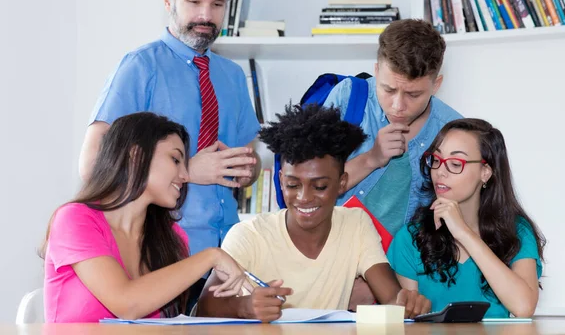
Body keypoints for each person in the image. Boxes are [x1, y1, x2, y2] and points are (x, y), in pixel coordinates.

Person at [78, 0, 261, 305]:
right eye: (194, 2)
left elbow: (245, 163)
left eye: (218, 4)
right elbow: (92, 166)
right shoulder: (139, 67)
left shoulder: (233, 77)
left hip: (232, 252)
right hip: (159, 256)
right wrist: (188, 170)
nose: (206, 15)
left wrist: (247, 170)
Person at [196, 104, 431, 322]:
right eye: (292, 185)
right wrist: (245, 307)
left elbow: (391, 296)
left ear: (342, 183)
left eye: (319, 186)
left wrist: (405, 303)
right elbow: (205, 307)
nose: (304, 197)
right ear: (280, 181)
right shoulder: (248, 235)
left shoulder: (355, 224)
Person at [42, 113, 251, 323]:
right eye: (175, 159)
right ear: (136, 156)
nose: (186, 176)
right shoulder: (74, 220)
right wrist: (211, 256)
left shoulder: (171, 238)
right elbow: (127, 304)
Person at [324, 18, 462, 307]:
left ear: (436, 85)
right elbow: (313, 188)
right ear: (376, 71)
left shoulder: (452, 130)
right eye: (388, 89)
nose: (398, 105)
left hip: (405, 275)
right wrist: (372, 158)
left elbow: (460, 218)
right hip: (334, 260)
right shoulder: (348, 98)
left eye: (413, 94)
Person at [387, 118, 546, 318]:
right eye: (436, 160)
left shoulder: (516, 231)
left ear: (485, 172)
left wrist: (464, 233)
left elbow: (523, 307)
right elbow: (407, 320)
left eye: (455, 163)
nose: (440, 172)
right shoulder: (410, 238)